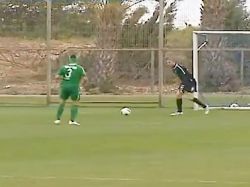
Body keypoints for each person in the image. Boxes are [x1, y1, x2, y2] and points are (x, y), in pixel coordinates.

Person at [54, 54, 87, 125]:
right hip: (74, 87)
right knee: (75, 102)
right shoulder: (79, 68)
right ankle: (72, 120)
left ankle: (58, 119)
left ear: (69, 59)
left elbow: (56, 77)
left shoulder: (64, 67)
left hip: (64, 86)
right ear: (76, 59)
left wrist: (64, 79)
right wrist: (81, 84)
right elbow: (85, 78)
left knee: (62, 102)